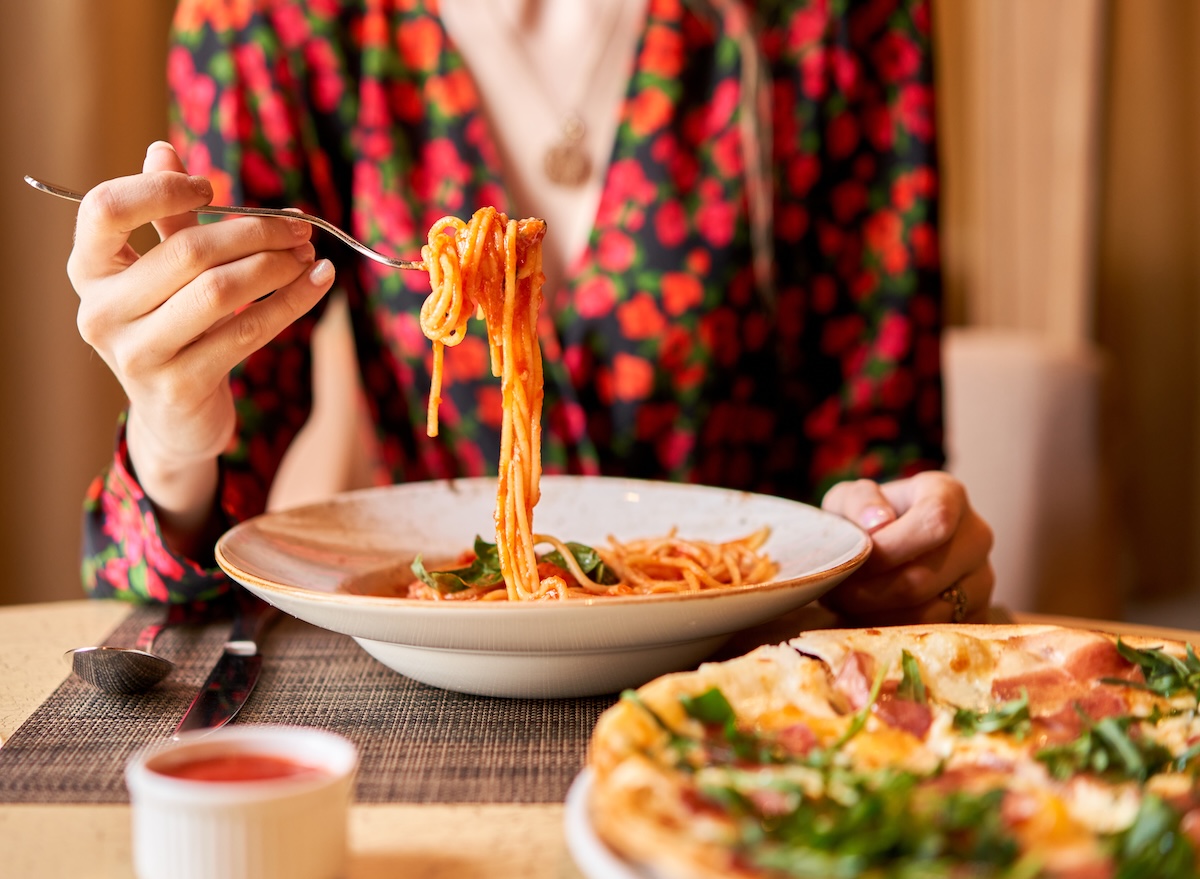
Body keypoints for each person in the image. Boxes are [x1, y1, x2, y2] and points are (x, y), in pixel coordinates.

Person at [71, 0, 993, 625]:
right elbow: (170, 557)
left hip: (755, 662)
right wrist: (175, 435)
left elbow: (872, 441)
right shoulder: (272, 18)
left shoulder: (838, 19)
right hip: (431, 669)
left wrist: (896, 533)